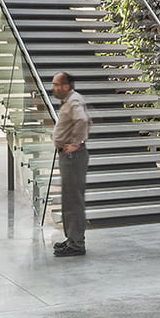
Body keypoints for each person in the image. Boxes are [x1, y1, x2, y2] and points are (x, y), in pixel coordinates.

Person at [52, 71, 90, 257]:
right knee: (69, 199)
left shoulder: (74, 100)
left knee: (73, 200)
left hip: (73, 157)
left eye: (57, 84)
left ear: (67, 85)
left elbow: (82, 120)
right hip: (68, 157)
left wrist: (76, 143)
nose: (54, 88)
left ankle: (76, 244)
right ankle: (71, 239)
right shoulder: (69, 100)